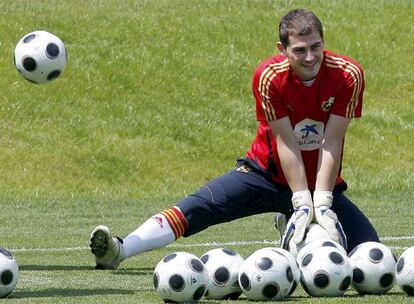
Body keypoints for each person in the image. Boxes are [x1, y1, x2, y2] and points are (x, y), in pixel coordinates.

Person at [89, 8, 379, 269]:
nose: (310, 57)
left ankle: (291, 222)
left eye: (316, 47)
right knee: (196, 207)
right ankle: (119, 250)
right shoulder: (269, 76)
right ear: (282, 49)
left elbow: (332, 140)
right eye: (300, 50)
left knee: (370, 252)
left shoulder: (347, 74)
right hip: (264, 174)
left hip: (320, 185)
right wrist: (302, 200)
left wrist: (322, 201)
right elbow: (286, 141)